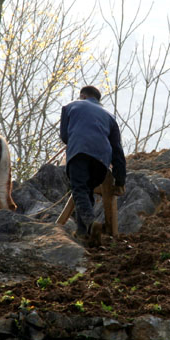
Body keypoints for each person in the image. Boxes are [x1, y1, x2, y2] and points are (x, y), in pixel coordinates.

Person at [60, 85, 126, 247]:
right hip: (102, 161)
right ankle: (84, 234)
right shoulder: (110, 117)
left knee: (79, 189)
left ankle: (90, 223)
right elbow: (118, 151)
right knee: (87, 190)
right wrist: (120, 181)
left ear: (82, 96)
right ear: (97, 99)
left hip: (79, 153)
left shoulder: (70, 106)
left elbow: (65, 136)